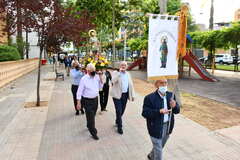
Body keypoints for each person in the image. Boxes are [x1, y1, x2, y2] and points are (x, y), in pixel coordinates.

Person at [142, 79, 180, 160]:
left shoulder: (171, 95)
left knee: (160, 146)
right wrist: (159, 111)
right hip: (155, 127)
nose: (164, 85)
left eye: (165, 83)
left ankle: (151, 156)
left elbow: (177, 111)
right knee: (159, 150)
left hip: (168, 126)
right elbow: (145, 113)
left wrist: (174, 106)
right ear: (156, 85)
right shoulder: (149, 98)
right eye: (161, 83)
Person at [76, 63, 103, 140]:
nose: (93, 71)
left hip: (95, 99)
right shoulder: (84, 79)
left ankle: (89, 125)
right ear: (87, 71)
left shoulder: (97, 77)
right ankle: (93, 132)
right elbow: (79, 92)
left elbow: (101, 88)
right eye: (91, 70)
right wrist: (78, 102)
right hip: (87, 101)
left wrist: (101, 78)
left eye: (94, 70)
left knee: (92, 115)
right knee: (91, 117)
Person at [110, 61, 135, 135]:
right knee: (118, 110)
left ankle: (117, 120)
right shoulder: (115, 73)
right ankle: (119, 127)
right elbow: (112, 81)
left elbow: (131, 85)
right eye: (122, 65)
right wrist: (119, 73)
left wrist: (132, 95)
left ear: (126, 66)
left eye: (125, 65)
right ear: (119, 66)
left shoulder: (128, 74)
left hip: (125, 95)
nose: (123, 66)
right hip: (117, 95)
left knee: (122, 110)